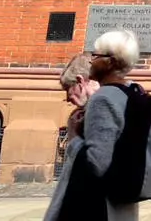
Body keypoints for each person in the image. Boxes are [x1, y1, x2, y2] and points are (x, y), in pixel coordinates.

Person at [80, 29, 151, 221]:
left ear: (109, 62)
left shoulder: (102, 98)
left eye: (95, 55)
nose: (90, 60)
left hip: (101, 204)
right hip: (127, 198)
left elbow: (96, 163)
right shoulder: (135, 93)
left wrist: (73, 138)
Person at [45, 53, 98, 221]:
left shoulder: (101, 111)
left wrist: (74, 136)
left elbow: (91, 164)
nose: (68, 98)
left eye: (69, 90)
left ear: (81, 82)